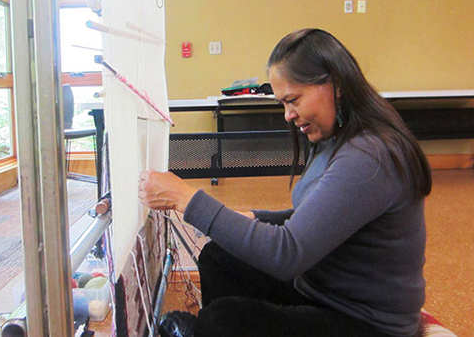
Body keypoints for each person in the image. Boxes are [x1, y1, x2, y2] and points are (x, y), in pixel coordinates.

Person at [138, 28, 431, 337]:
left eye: (293, 100)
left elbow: (287, 255)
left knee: (221, 320)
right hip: (324, 293)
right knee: (219, 257)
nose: (288, 115)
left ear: (338, 85)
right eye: (283, 103)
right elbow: (322, 216)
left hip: (366, 323)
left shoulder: (370, 156)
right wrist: (260, 218)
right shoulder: (339, 139)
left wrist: (184, 198)